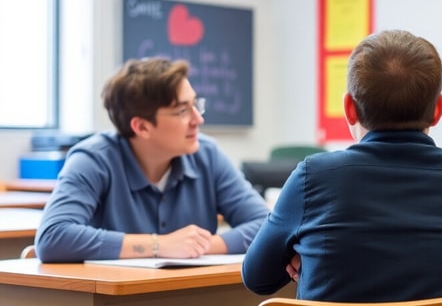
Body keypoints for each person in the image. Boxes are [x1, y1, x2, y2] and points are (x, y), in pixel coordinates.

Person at [241, 29, 442, 306]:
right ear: (438, 110)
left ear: (349, 109)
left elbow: (258, 277)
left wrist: (308, 256)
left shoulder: (313, 178)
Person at [35, 57, 270, 262]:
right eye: (182, 111)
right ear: (142, 126)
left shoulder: (207, 155)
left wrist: (200, 246)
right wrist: (160, 245)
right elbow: (53, 237)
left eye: (196, 105)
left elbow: (268, 225)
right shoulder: (93, 159)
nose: (198, 119)